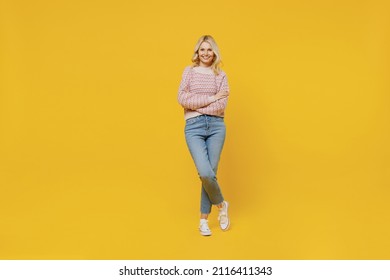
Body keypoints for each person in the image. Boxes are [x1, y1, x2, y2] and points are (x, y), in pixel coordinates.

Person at [177, 35, 230, 236]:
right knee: (205, 173)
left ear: (214, 52)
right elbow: (182, 98)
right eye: (202, 50)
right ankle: (221, 204)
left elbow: (221, 105)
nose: (206, 53)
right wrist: (211, 98)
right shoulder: (189, 72)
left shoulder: (221, 75)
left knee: (211, 173)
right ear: (197, 52)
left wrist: (197, 104)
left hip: (216, 126)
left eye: (209, 50)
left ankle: (203, 221)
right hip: (194, 127)